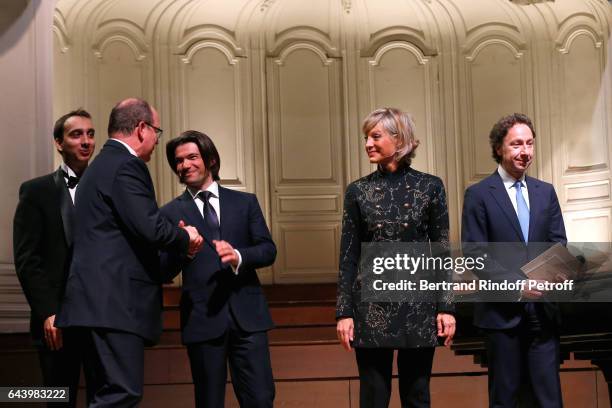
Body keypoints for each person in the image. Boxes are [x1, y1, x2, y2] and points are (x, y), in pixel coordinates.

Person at [55, 98, 203, 407]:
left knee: (104, 394)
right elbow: (149, 227)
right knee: (121, 395)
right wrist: (184, 236)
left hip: (95, 305)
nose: (155, 140)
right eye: (156, 131)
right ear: (141, 128)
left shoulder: (99, 167)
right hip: (113, 305)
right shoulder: (126, 164)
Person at [336, 108, 456, 408]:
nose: (368, 144)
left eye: (375, 136)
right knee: (373, 399)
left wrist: (446, 307)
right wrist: (344, 312)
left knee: (417, 398)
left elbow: (441, 252)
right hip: (370, 308)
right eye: (366, 137)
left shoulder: (431, 186)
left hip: (418, 307)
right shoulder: (357, 191)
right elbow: (348, 257)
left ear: (398, 139)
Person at [160, 130, 276, 408]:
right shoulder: (168, 213)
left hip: (248, 318)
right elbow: (162, 271)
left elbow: (268, 250)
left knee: (260, 399)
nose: (184, 165)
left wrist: (238, 256)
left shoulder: (245, 202)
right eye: (178, 161)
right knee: (209, 402)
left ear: (210, 160)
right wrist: (185, 250)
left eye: (191, 157)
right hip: (202, 319)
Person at [461, 113, 566, 407]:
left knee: (550, 401)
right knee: (505, 401)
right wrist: (519, 285)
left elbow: (558, 243)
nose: (526, 152)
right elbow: (475, 255)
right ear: (499, 148)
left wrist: (556, 272)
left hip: (543, 314)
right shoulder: (478, 195)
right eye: (517, 144)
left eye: (530, 143)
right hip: (501, 317)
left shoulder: (546, 192)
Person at [14, 109, 95, 407]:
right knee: (58, 399)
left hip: (99, 318)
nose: (86, 141)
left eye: (90, 133)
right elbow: (27, 259)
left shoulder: (109, 191)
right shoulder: (36, 191)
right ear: (59, 143)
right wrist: (48, 311)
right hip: (56, 321)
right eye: (76, 134)